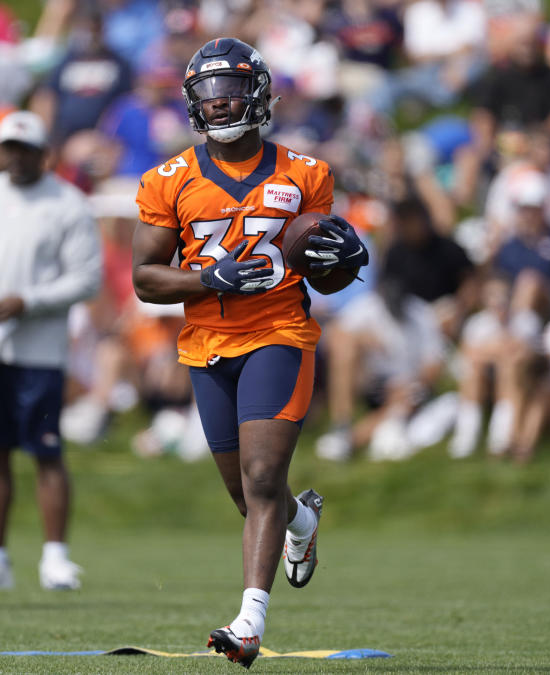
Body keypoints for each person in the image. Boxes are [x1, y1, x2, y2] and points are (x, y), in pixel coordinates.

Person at [132, 38, 368, 668]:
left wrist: (336, 258)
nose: (219, 105)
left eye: (231, 91)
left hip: (279, 333)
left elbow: (320, 263)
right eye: (208, 95)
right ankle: (302, 524)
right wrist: (210, 279)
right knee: (248, 494)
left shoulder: (305, 174)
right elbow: (145, 279)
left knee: (263, 477)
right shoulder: (167, 180)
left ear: (258, 96)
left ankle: (248, 621)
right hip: (207, 342)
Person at [0, 110, 102, 592]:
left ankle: (55, 557)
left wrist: (28, 302)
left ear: (43, 154)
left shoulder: (68, 204)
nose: (15, 157)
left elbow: (85, 279)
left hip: (39, 351)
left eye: (25, 149)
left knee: (46, 452)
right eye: (8, 147)